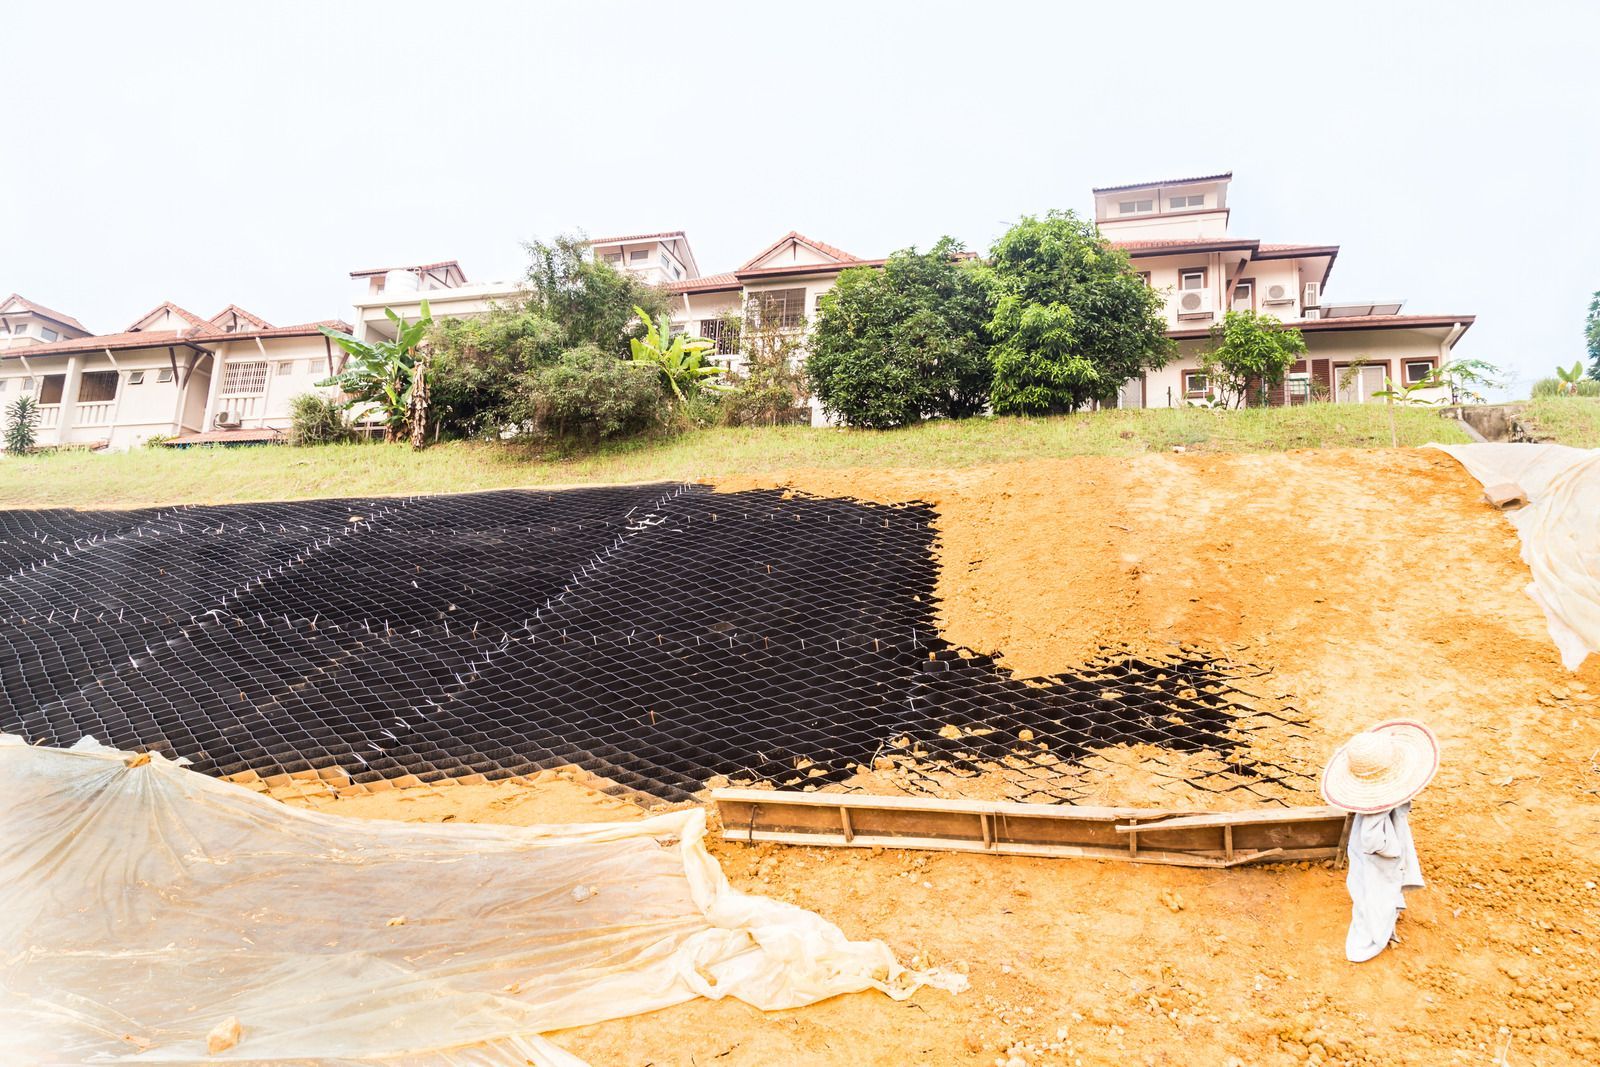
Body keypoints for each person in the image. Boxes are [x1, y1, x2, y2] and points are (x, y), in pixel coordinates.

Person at [1319, 720, 1440, 963]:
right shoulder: (1375, 815)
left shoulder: (1375, 807)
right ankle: (1378, 934)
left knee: (1372, 892)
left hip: (1372, 858)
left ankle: (1386, 919)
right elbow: (1373, 841)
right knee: (1376, 897)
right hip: (1379, 862)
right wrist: (1394, 852)